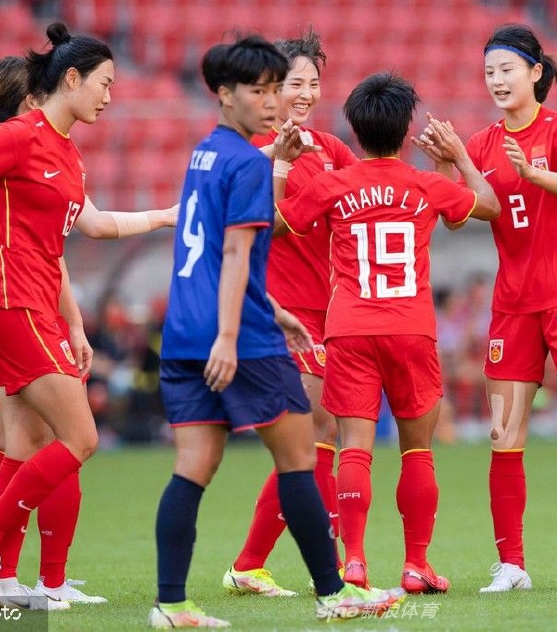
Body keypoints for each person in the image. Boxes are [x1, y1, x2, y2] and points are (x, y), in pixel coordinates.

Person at [152, 35, 402, 627]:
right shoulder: (247, 162)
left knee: (192, 468)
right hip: (239, 338)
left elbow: (213, 253)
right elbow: (237, 255)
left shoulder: (207, 153)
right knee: (301, 458)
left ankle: (172, 605)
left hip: (185, 331)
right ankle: (334, 592)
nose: (271, 102)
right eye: (259, 91)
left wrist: (270, 309)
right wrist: (235, 335)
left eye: (274, 89)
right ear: (224, 94)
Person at [0, 54, 177, 606]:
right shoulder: (21, 135)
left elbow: (97, 225)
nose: (110, 96)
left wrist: (165, 215)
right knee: (79, 438)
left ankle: (1, 581)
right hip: (13, 305)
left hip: (26, 306)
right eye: (104, 84)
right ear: (71, 80)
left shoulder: (66, 151)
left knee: (22, 445)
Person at [417, 23, 557, 592]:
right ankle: (512, 566)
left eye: (506, 69)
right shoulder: (484, 145)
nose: (496, 80)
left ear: (536, 72)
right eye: (489, 71)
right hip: (513, 307)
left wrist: (533, 170)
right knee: (503, 434)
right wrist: (449, 162)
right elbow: (463, 212)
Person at [277, 72, 500, 595]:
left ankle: (352, 561)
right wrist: (459, 156)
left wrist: (283, 165)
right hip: (411, 329)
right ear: (407, 131)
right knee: (417, 450)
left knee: (354, 448)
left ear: (354, 131)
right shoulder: (425, 183)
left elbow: (276, 220)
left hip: (349, 329)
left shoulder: (333, 183)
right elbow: (486, 205)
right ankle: (415, 563)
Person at [223, 28, 358, 598]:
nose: (304, 93)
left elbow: (365, 197)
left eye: (312, 82)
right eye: (293, 82)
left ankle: (268, 563)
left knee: (318, 436)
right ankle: (275, 564)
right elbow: (267, 226)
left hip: (332, 309)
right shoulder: (255, 151)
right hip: (284, 311)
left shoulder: (332, 148)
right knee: (310, 435)